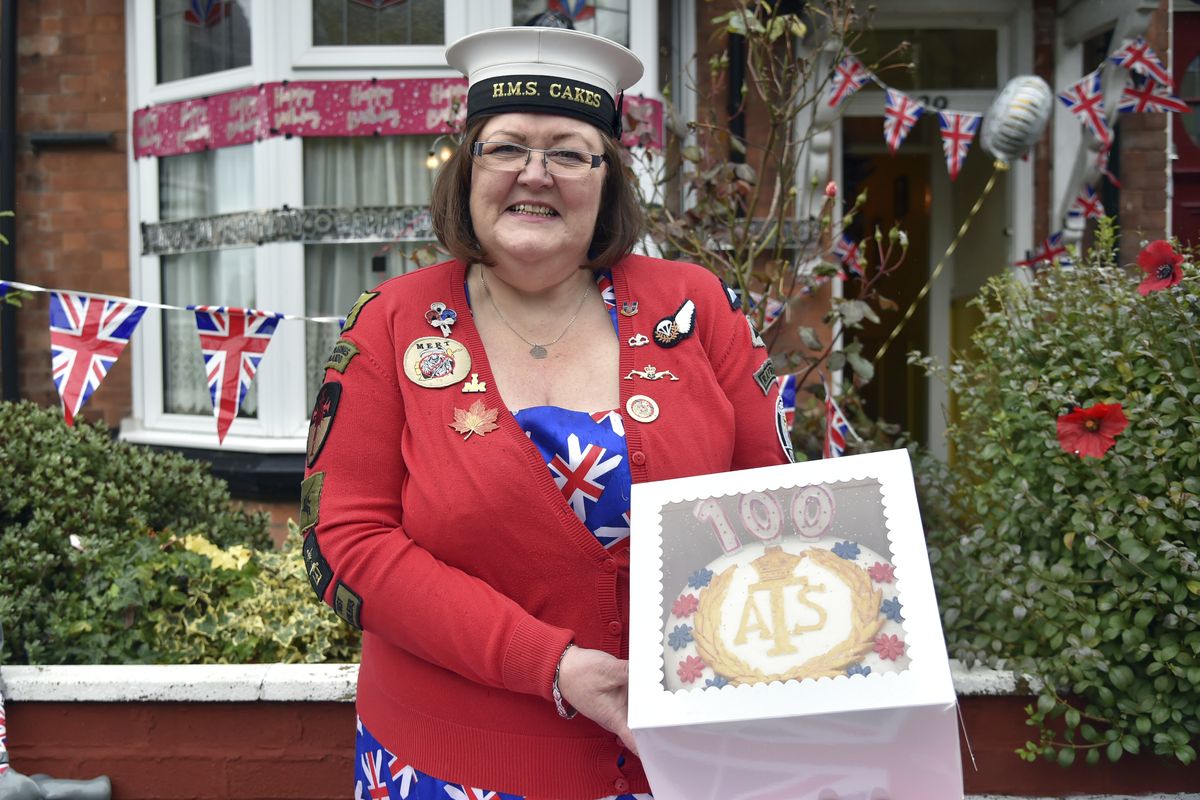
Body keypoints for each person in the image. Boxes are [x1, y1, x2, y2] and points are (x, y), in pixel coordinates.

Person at [300, 22, 793, 800]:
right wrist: (549, 664)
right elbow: (345, 544)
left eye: (568, 152)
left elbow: (780, 511)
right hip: (448, 768)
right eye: (506, 148)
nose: (535, 174)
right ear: (468, 167)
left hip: (685, 762)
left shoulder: (696, 309)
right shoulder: (388, 324)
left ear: (608, 178)